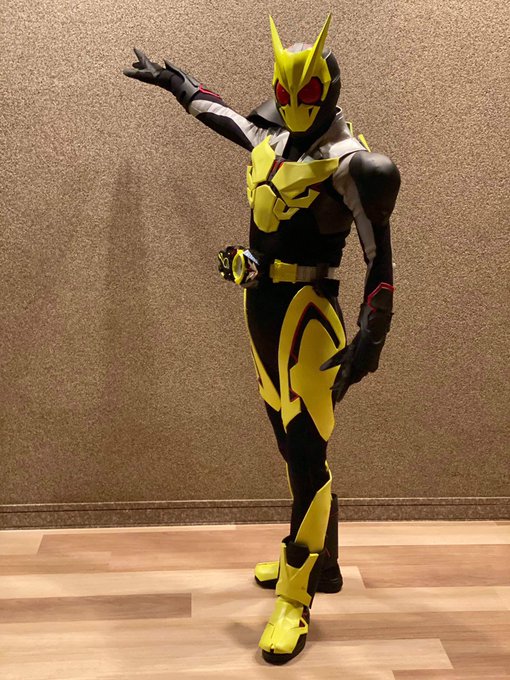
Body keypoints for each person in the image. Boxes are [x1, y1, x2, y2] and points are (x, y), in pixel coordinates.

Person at [123, 14, 400, 664]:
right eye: (286, 92)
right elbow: (220, 114)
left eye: (308, 92)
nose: (295, 103)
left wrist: (372, 337)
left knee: (307, 453)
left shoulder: (353, 165)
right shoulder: (271, 137)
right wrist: (176, 81)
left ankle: (296, 597)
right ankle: (322, 560)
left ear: (329, 90)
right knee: (289, 443)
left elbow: (380, 263)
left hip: (310, 318)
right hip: (262, 310)